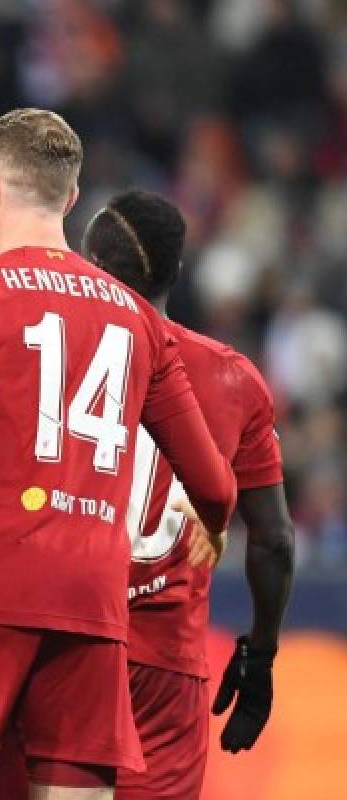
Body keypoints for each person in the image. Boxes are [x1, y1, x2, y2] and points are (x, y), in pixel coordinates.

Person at [0, 108, 238, 800]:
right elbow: (213, 481)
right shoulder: (139, 319)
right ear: (72, 199)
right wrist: (216, 518)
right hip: (92, 598)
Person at [83, 190, 294, 799]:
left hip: (60, 635)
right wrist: (260, 655)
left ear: (88, 262)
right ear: (177, 272)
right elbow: (274, 540)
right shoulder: (233, 377)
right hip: (164, 661)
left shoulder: (50, 353)